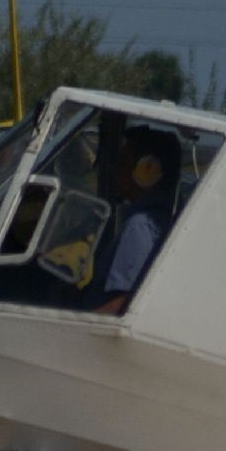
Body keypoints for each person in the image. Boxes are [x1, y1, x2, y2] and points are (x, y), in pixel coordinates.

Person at [92, 125, 182, 315]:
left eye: (123, 161)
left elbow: (122, 303)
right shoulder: (162, 217)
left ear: (147, 170)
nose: (115, 169)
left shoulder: (140, 226)